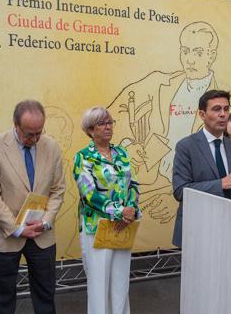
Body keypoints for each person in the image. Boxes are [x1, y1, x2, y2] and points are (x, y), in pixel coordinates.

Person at [107, 21, 220, 224]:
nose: (190, 60)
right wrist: (126, 144)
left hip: (185, 191)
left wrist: (178, 200)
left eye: (198, 52)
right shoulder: (158, 82)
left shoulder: (220, 106)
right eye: (185, 51)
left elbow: (216, 173)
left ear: (212, 55)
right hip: (145, 180)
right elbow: (110, 114)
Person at [0, 100, 65, 314]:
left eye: (39, 133)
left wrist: (45, 222)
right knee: (3, 296)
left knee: (45, 293)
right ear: (15, 125)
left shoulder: (52, 146)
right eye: (29, 134)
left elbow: (58, 190)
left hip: (42, 234)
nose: (35, 139)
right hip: (6, 236)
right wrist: (17, 228)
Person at [73, 106, 141, 314]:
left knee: (121, 282)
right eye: (102, 123)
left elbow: (133, 185)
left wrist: (130, 210)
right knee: (99, 284)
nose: (108, 127)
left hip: (123, 227)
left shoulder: (121, 153)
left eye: (110, 122)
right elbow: (89, 194)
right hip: (97, 228)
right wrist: (119, 211)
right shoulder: (83, 157)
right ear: (90, 130)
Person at [172, 90, 231, 247]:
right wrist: (221, 183)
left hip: (229, 228)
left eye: (226, 109)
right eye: (216, 109)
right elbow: (180, 191)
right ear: (202, 115)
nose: (223, 114)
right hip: (197, 229)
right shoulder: (186, 146)